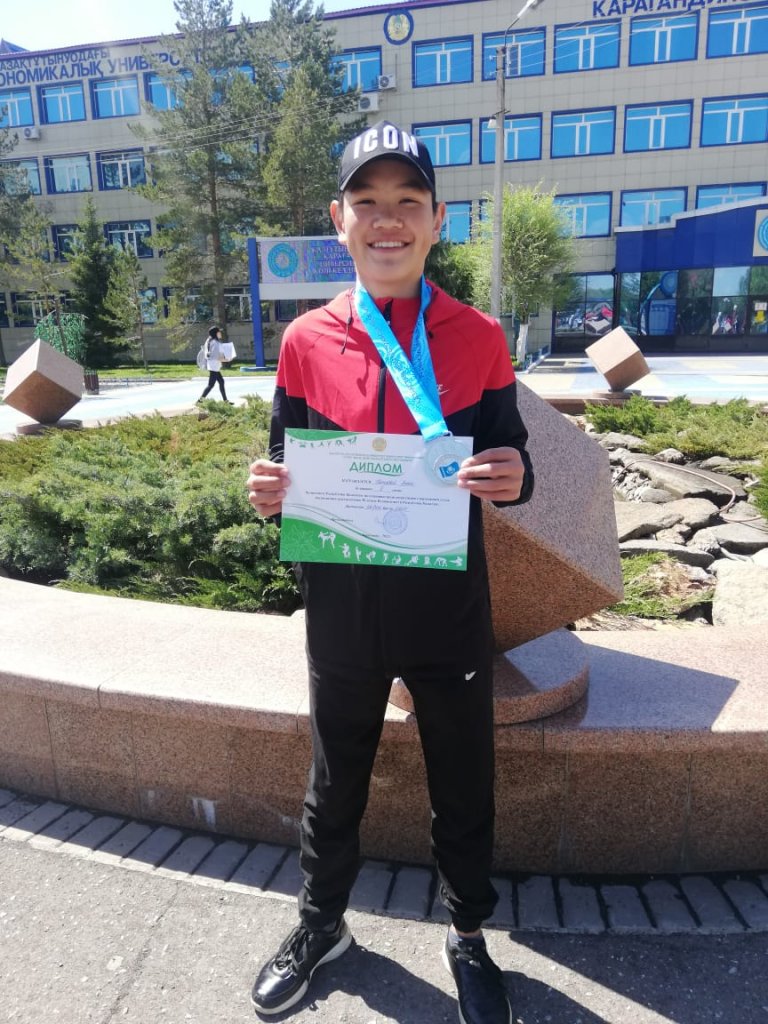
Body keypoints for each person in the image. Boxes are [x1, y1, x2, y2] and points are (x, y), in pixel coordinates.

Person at [246, 120, 534, 1024]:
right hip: (341, 604)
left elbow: (511, 454)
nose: (388, 219)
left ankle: (469, 936)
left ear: (438, 220)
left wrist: (515, 477)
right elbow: (284, 460)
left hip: (446, 603)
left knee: (463, 775)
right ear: (339, 220)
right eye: (366, 201)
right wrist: (269, 492)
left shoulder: (478, 337)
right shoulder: (305, 340)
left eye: (408, 200)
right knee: (335, 777)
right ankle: (321, 923)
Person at [198, 325, 233, 403]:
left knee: (221, 381)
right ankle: (199, 401)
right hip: (214, 366)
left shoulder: (211, 341)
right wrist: (227, 360)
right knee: (211, 385)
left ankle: (225, 400)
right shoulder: (215, 343)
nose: (220, 333)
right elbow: (217, 357)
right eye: (219, 332)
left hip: (214, 366)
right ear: (216, 333)